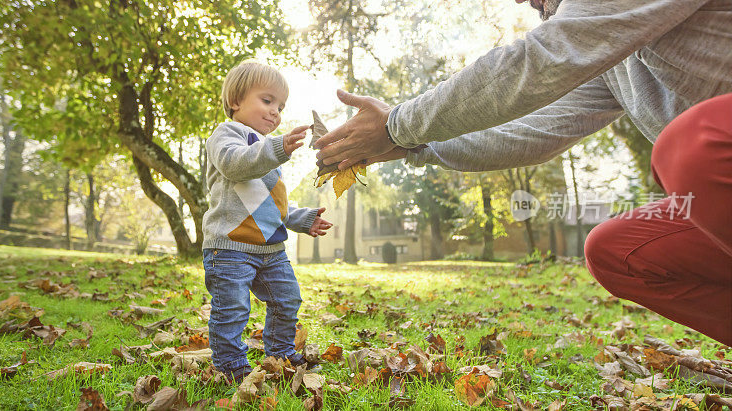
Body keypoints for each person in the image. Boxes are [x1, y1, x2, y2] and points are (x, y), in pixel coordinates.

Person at [314, 0, 732, 345]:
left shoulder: (586, 28)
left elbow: (541, 58)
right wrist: (410, 146)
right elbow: (534, 131)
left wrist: (396, 124)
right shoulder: (608, 48)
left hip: (713, 150)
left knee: (691, 147)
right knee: (616, 251)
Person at [203, 61, 333, 381]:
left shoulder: (268, 150)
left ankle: (280, 351)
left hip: (270, 249)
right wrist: (277, 148)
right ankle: (230, 363)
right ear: (236, 101)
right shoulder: (226, 134)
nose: (276, 112)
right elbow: (235, 165)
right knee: (233, 309)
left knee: (287, 298)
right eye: (267, 100)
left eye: (281, 106)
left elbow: (274, 204)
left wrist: (304, 219)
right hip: (230, 246)